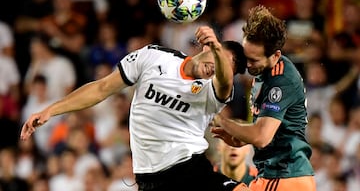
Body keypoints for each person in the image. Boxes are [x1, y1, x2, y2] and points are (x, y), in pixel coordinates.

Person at [20, 26, 247, 191]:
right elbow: (101, 88)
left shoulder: (214, 90)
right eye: (220, 60)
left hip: (189, 170)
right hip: (148, 178)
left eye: (227, 68)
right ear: (205, 48)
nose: (219, 69)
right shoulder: (153, 57)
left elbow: (225, 82)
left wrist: (218, 50)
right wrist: (51, 110)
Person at [211, 5, 316, 191]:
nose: (248, 65)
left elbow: (261, 137)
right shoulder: (263, 74)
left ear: (275, 56)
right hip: (273, 176)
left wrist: (222, 121)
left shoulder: (281, 80)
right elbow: (269, 131)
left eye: (255, 60)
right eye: (246, 57)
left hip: (285, 178)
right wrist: (240, 137)